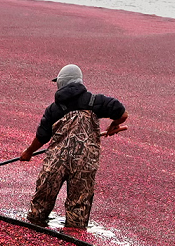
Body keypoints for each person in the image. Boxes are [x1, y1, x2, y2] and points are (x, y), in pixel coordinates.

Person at [20, 64, 128, 229]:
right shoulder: (94, 101)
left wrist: (28, 152)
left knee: (42, 201)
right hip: (84, 164)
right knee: (79, 204)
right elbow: (122, 114)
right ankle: (76, 234)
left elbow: (42, 137)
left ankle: (36, 224)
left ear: (61, 83)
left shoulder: (54, 109)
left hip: (56, 162)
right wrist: (113, 125)